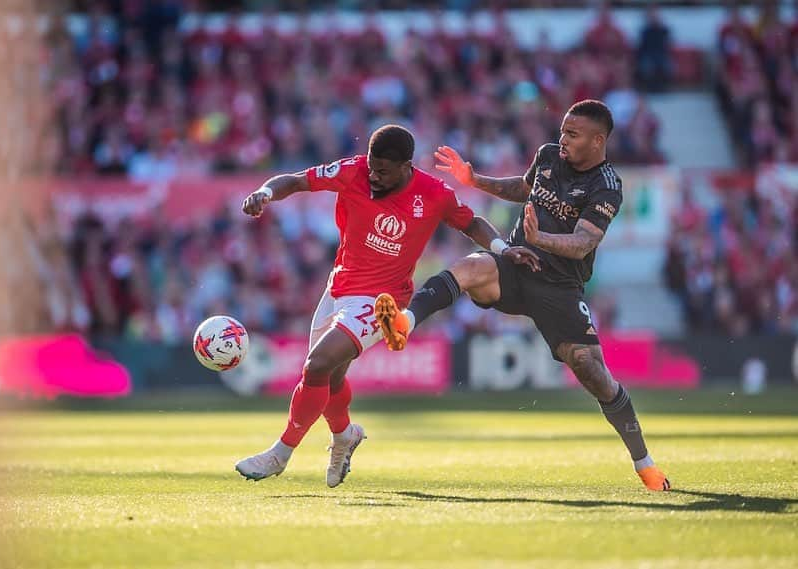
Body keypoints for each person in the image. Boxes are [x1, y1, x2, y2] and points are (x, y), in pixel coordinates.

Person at [373, 100, 671, 491]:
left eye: (573, 134)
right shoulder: (549, 155)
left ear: (598, 141)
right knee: (471, 266)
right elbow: (523, 187)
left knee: (591, 370)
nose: (562, 139)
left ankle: (645, 464)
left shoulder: (607, 186)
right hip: (517, 263)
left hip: (560, 286)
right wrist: (475, 179)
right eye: (563, 130)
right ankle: (403, 323)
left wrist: (541, 237)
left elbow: (583, 243)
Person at [236, 124, 539, 487]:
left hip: (383, 299)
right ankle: (345, 435)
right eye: (372, 167)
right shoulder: (354, 171)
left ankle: (279, 454)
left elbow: (471, 222)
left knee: (317, 365)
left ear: (406, 166)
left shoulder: (433, 193)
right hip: (338, 288)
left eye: (383, 171)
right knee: (331, 377)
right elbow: (297, 180)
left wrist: (503, 249)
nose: (374, 176)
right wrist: (265, 191)